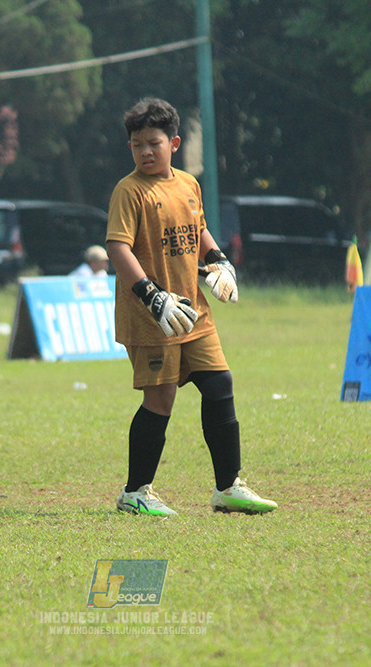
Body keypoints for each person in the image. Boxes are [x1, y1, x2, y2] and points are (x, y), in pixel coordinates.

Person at [105, 97, 277, 517]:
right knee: (160, 398)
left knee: (219, 385)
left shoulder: (187, 184)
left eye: (154, 143)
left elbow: (197, 229)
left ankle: (228, 487)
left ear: (174, 143)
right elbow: (118, 248)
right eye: (137, 145)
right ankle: (135, 492)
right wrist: (152, 295)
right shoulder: (129, 191)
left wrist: (218, 261)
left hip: (192, 311)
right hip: (151, 317)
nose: (145, 151)